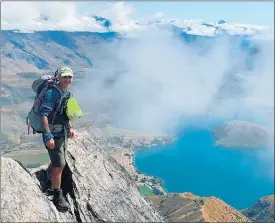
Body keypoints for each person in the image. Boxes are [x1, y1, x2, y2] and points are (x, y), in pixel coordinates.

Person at [40, 66, 75, 212]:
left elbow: (66, 114)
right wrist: (48, 136)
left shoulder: (66, 94)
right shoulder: (52, 93)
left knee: (59, 161)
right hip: (53, 134)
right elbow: (44, 115)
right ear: (59, 78)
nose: (67, 79)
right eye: (65, 77)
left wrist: (70, 127)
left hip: (62, 133)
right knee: (59, 165)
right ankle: (56, 196)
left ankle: (49, 181)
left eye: (70, 77)